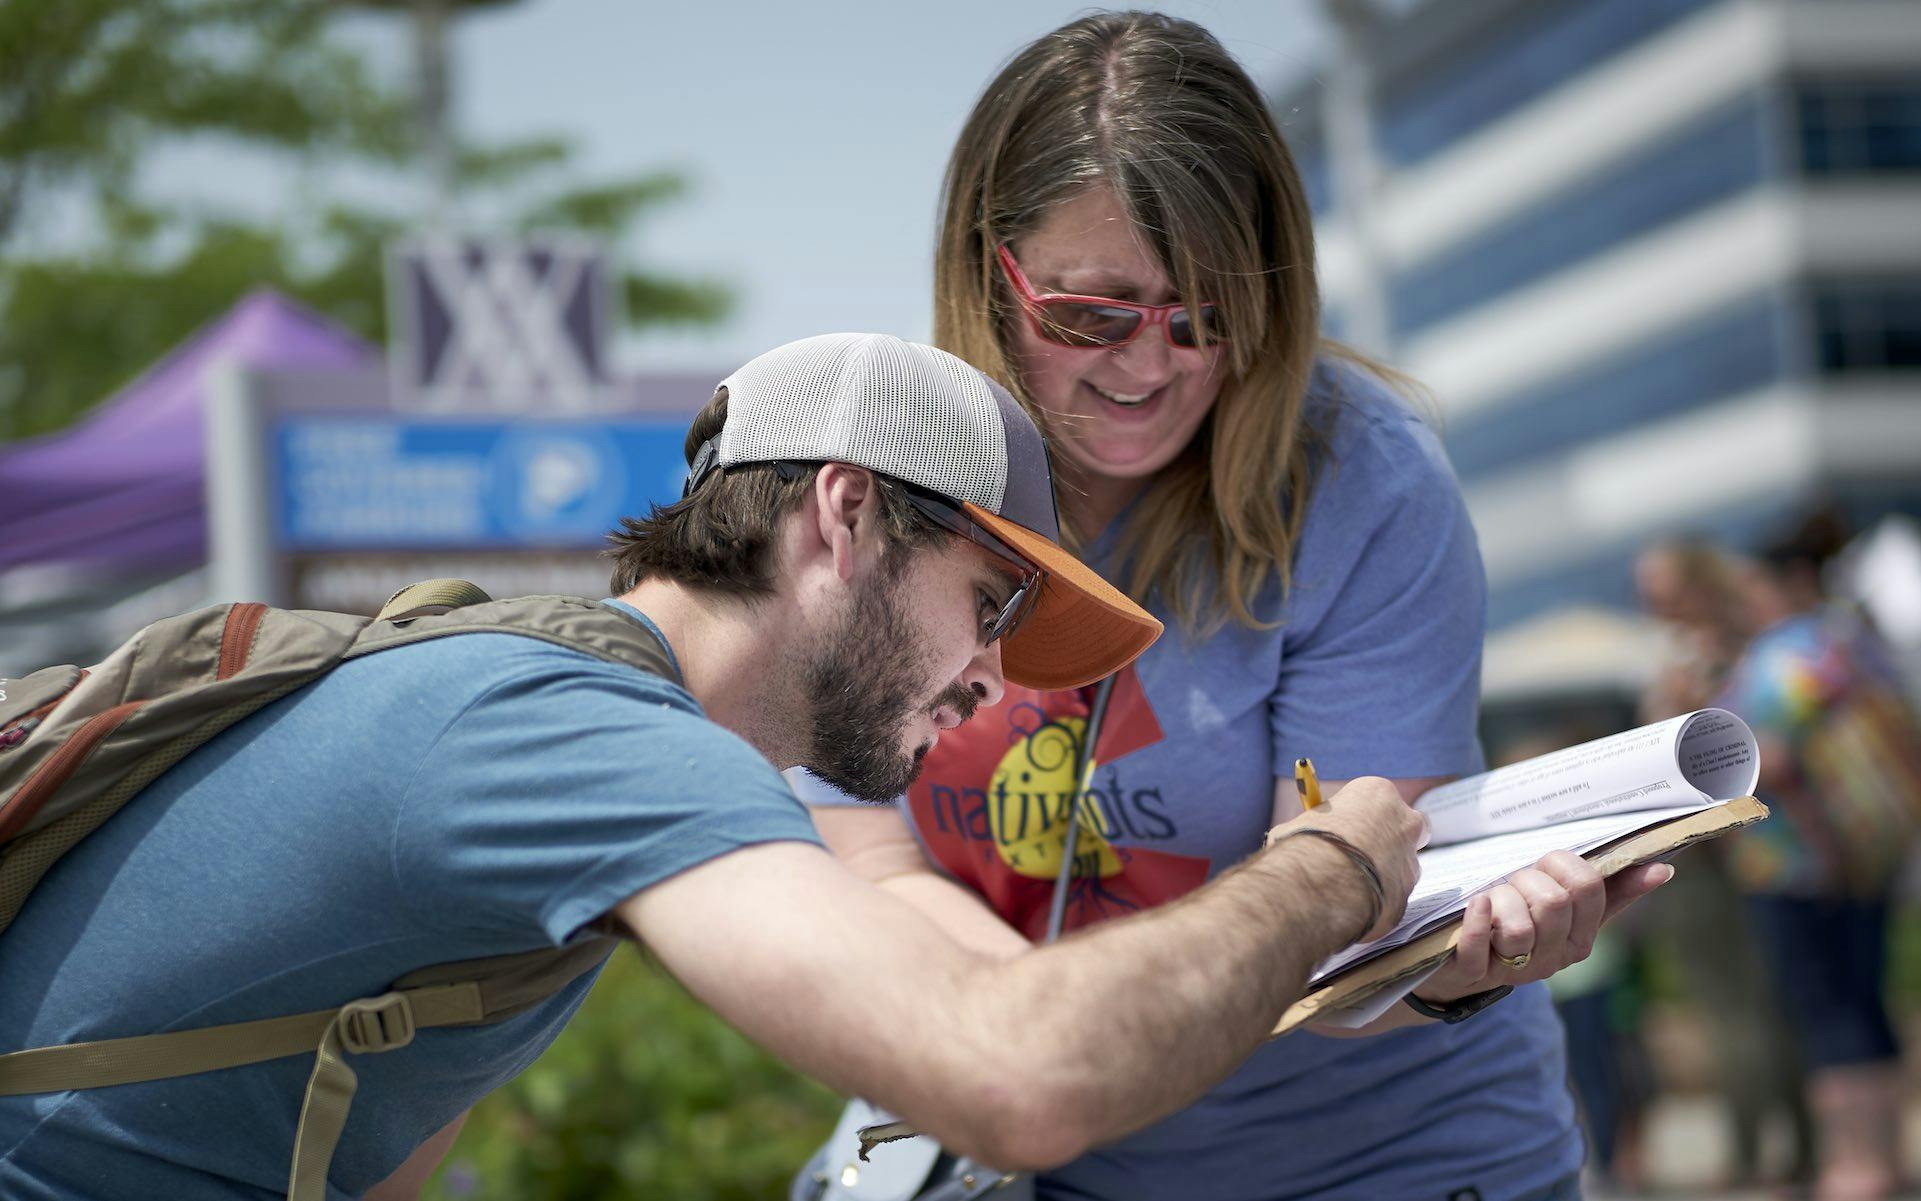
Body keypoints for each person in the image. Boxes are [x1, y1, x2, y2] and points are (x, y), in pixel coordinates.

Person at [0, 334, 1439, 1199]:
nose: (997, 678)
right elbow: (1015, 1075)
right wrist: (1327, 876)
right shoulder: (571, 736)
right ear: (846, 513)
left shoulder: (532, 706)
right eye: (990, 605)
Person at [798, 16, 1672, 1201]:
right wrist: (1042, 1042)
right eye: (1090, 314)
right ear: (982, 268)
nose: (1150, 367)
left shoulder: (1363, 476)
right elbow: (868, 867)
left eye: (1206, 314)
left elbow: (1340, 928)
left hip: (1385, 1162)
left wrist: (1448, 964)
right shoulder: (874, 478)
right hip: (1041, 1157)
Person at [1639, 534, 1921, 1201]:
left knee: (1826, 1011)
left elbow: (1761, 755)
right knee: (1863, 1001)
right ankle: (1881, 1151)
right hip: (1860, 850)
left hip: (1793, 863)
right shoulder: (1845, 640)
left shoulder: (1784, 651)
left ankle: (1855, 1162)